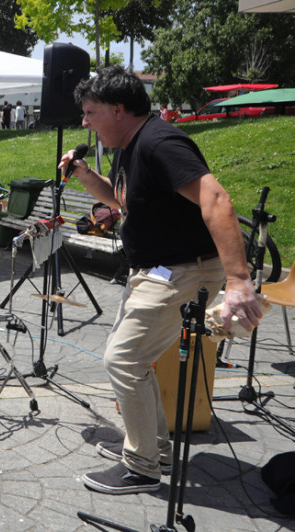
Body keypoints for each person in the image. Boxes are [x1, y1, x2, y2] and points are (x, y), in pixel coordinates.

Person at [60, 65, 264, 495]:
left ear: (118, 109)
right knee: (134, 361)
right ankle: (154, 449)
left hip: (181, 271)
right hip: (156, 271)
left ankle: (141, 467)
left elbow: (216, 198)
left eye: (90, 112)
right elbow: (122, 202)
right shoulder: (130, 145)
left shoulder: (159, 141)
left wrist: (239, 280)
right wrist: (82, 173)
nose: (85, 122)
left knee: (123, 360)